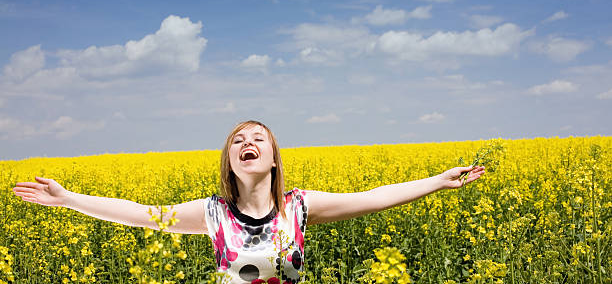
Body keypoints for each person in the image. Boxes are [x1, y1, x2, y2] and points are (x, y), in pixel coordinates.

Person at [12, 120, 485, 284]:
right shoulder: (213, 213)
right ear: (230, 162)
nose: (247, 142)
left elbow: (374, 198)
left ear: (275, 159)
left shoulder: (299, 207)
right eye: (238, 140)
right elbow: (144, 216)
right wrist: (67, 199)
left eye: (258, 138)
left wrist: (438, 180)